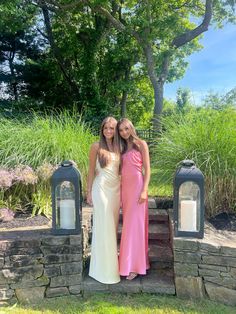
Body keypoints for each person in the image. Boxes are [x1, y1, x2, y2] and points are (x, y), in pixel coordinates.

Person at [87, 117, 120, 284]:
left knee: (112, 227)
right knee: (104, 226)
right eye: (106, 128)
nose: (108, 131)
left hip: (116, 191)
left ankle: (111, 265)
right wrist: (88, 192)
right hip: (100, 189)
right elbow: (91, 171)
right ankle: (103, 271)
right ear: (102, 129)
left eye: (112, 128)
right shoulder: (96, 147)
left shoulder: (120, 147)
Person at [117, 118, 150, 280]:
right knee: (128, 226)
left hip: (138, 188)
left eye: (126, 129)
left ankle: (135, 266)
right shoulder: (121, 147)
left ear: (131, 127)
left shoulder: (141, 144)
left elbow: (148, 170)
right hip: (125, 190)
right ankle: (128, 263)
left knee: (135, 226)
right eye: (121, 130)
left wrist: (144, 190)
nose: (124, 132)